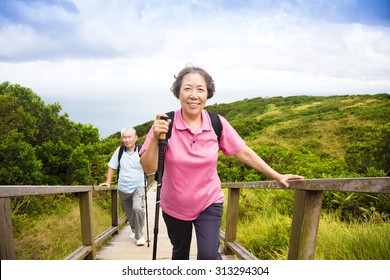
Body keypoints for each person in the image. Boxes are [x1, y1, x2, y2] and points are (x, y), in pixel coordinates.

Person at [139, 66, 304, 260]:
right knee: (180, 254)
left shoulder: (217, 123)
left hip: (209, 201)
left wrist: (276, 175)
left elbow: (244, 153)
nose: (194, 95)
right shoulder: (165, 124)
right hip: (174, 205)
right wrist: (153, 139)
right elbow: (149, 168)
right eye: (187, 88)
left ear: (208, 94)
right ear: (178, 92)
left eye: (200, 89)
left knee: (209, 256)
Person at [100, 127, 146, 246]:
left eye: (129, 137)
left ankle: (139, 236)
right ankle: (135, 230)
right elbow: (112, 167)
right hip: (123, 187)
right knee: (129, 212)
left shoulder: (141, 150)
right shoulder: (119, 151)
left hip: (138, 186)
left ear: (135, 138)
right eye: (124, 137)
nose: (127, 139)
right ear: (121, 139)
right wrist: (108, 182)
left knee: (137, 208)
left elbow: (150, 164)